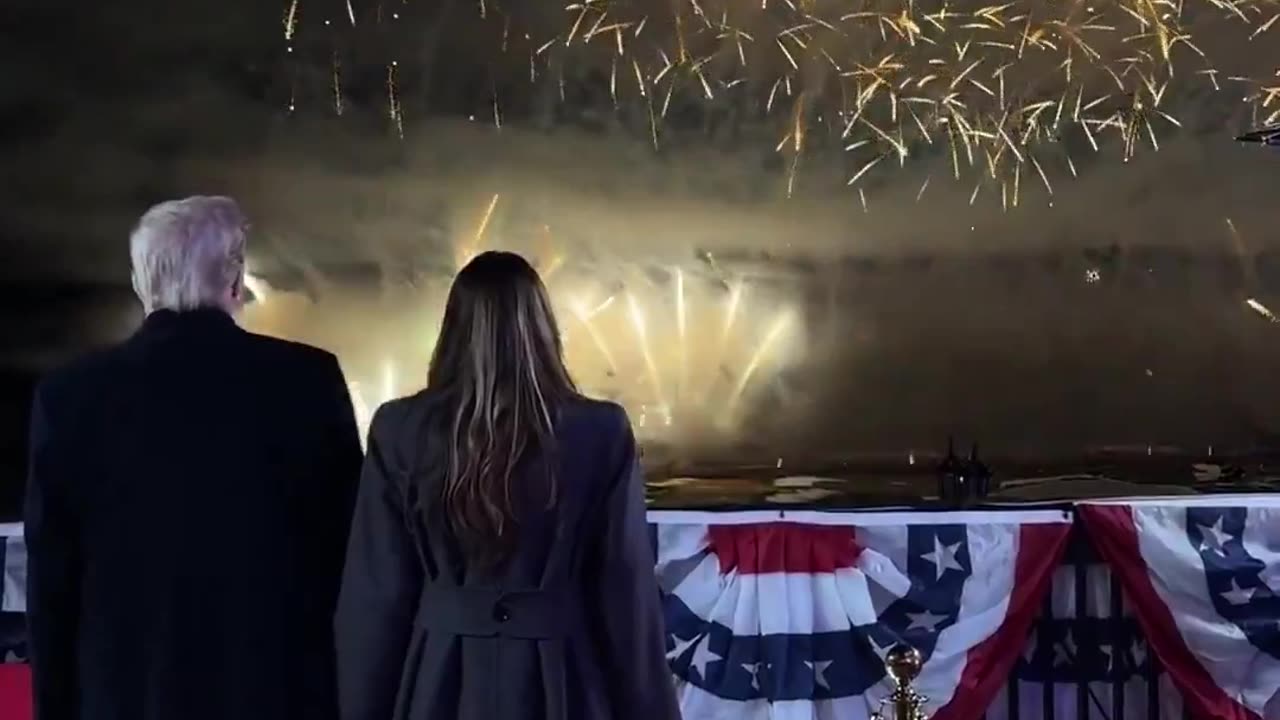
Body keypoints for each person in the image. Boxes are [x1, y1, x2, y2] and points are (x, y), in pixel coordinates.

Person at [24, 196, 363, 720]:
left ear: (142, 284)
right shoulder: (308, 383)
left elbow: (51, 588)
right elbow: (348, 562)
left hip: (123, 698)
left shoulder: (68, 397)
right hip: (277, 693)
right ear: (236, 281)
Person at [335, 251, 679, 720]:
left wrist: (360, 707)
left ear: (453, 329)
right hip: (565, 681)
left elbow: (376, 598)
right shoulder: (599, 431)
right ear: (542, 329)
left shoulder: (400, 429)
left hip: (438, 681)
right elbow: (625, 597)